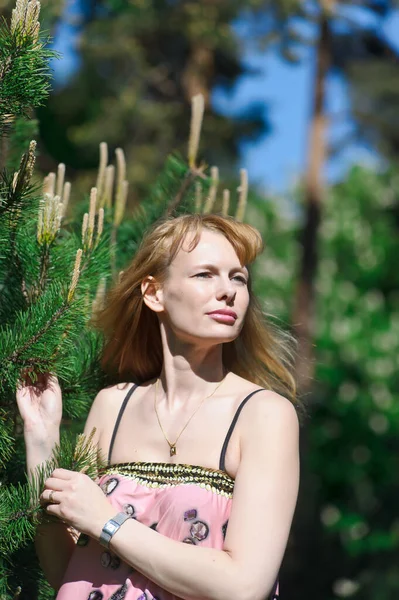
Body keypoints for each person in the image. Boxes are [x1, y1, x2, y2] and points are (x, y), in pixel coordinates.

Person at [17, 213, 300, 600]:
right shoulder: (111, 407)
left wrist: (107, 521)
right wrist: (41, 442)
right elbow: (69, 571)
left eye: (238, 278)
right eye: (205, 274)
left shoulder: (264, 415)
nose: (228, 291)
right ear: (154, 293)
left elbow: (244, 586)